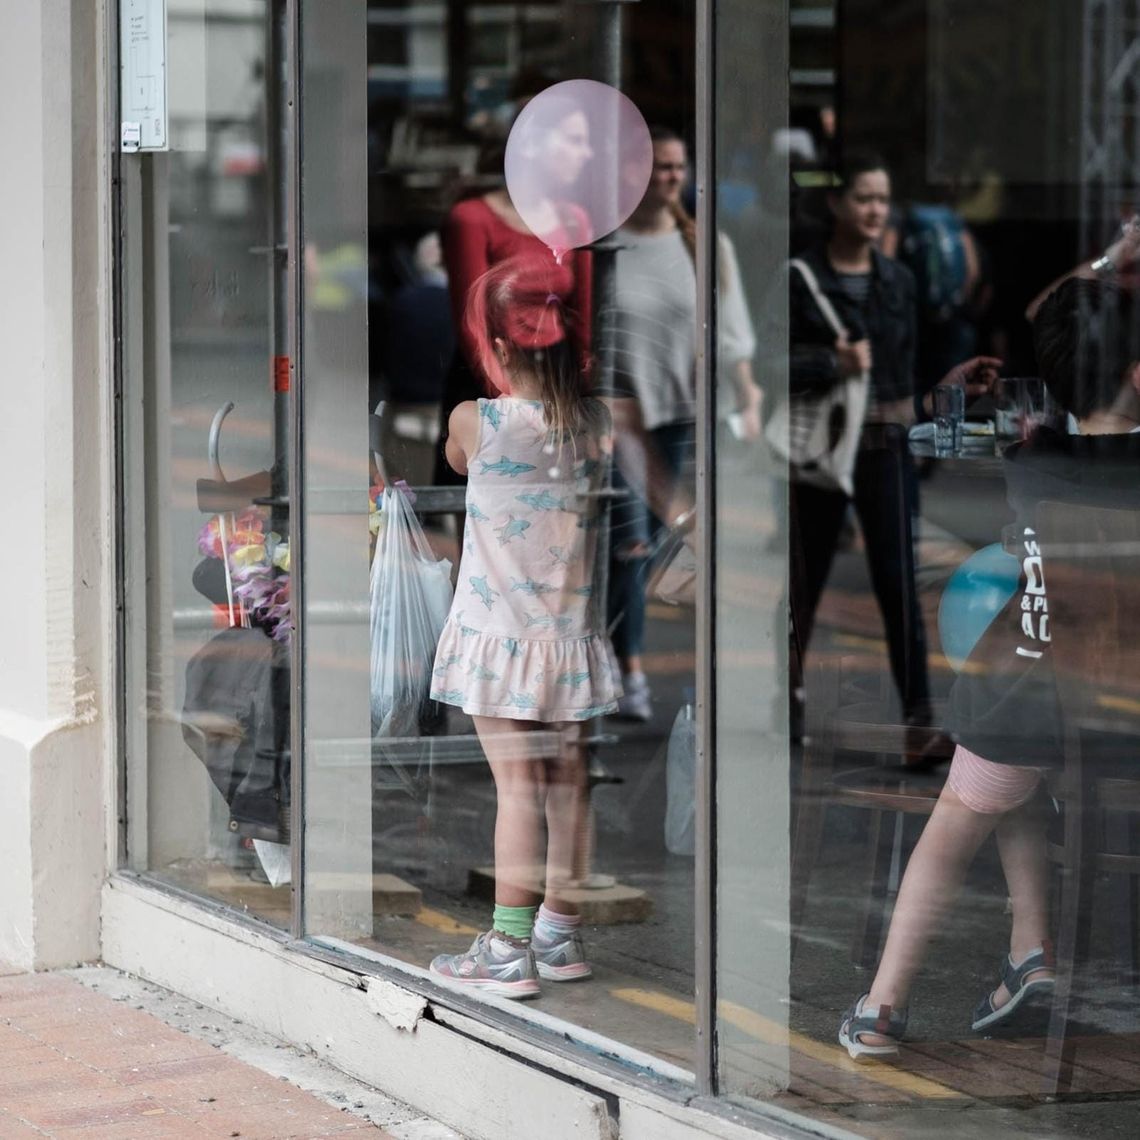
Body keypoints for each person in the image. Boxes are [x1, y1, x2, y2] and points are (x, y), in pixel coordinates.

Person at [838, 275, 1140, 1058]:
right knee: (1019, 784)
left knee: (961, 817)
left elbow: (1041, 321)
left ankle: (881, 1006)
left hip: (1032, 698)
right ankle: (1029, 957)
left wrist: (950, 395)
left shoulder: (1027, 448)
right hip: (1124, 714)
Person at [427, 254, 619, 999]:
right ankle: (559, 934)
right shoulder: (595, 425)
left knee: (516, 788)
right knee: (570, 787)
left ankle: (508, 950)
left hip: (496, 640)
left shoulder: (476, 422)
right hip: (569, 639)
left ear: (501, 347)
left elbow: (450, 459)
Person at [785, 151, 998, 743]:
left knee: (898, 586)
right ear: (836, 204)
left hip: (883, 447)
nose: (875, 210)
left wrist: (947, 390)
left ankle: (918, 723)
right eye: (863, 198)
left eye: (882, 199)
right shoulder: (799, 278)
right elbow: (763, 365)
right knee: (802, 589)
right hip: (819, 452)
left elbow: (905, 383)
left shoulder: (898, 281)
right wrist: (832, 361)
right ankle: (789, 700)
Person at [605, 126, 762, 720]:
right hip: (624, 420)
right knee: (630, 544)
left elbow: (733, 332)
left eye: (677, 167)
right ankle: (630, 670)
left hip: (688, 418)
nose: (669, 177)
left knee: (679, 549)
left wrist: (747, 399)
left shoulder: (703, 243)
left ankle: (649, 666)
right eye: (658, 167)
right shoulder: (607, 245)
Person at [435, 96, 595, 485]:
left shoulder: (576, 219)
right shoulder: (472, 218)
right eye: (574, 141)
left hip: (555, 378)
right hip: (490, 374)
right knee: (482, 500)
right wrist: (510, 404)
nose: (586, 154)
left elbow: (587, 316)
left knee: (555, 502)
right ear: (533, 145)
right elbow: (471, 319)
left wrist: (582, 385)